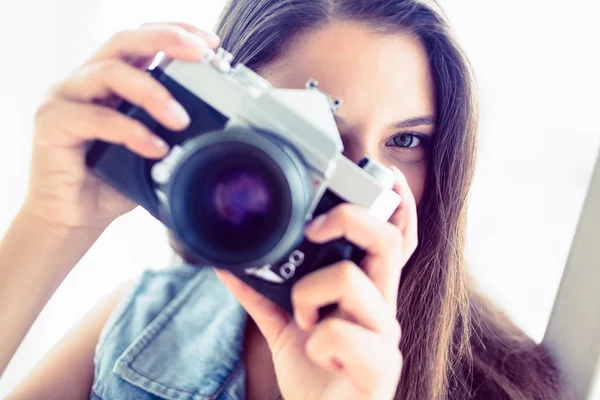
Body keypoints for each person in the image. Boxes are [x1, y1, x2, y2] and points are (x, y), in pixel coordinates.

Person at [0, 0, 569, 399]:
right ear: (222, 132)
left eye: (406, 142)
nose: (372, 190)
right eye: (312, 139)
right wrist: (51, 226)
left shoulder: (511, 385)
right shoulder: (148, 319)